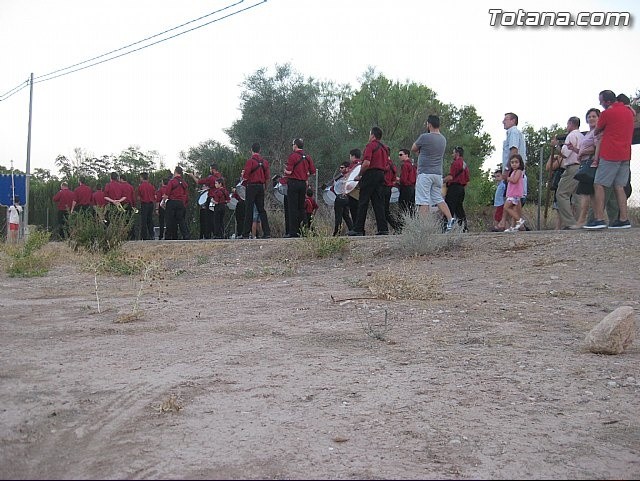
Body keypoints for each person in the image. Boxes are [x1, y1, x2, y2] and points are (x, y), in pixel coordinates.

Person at [584, 90, 634, 229]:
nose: (600, 103)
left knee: (599, 184)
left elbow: (597, 130)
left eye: (601, 101)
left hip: (610, 153)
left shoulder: (607, 113)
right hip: (625, 153)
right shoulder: (629, 112)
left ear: (606, 101)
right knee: (619, 186)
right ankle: (623, 219)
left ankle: (599, 218)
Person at [411, 115, 455, 231]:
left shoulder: (424, 137)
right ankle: (450, 219)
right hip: (437, 174)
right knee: (438, 198)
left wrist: (421, 151)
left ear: (429, 124)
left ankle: (423, 228)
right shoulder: (443, 139)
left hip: (425, 173)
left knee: (423, 200)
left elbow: (413, 148)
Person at [348, 127, 389, 236]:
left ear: (373, 135)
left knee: (363, 201)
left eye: (369, 134)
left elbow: (366, 163)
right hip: (381, 175)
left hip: (370, 174)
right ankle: (383, 228)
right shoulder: (384, 148)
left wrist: (360, 174)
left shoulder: (370, 146)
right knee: (378, 203)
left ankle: (358, 229)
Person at [571, 108, 601, 229]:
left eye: (594, 116)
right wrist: (577, 151)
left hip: (590, 163)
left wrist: (582, 152)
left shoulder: (596, 132)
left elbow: (596, 147)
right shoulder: (588, 133)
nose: (591, 119)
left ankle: (582, 220)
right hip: (585, 163)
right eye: (589, 117)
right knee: (591, 194)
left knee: (584, 193)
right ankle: (595, 219)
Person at [552, 117, 584, 229]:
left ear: (570, 124)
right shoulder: (581, 136)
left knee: (561, 193)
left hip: (572, 167)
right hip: (581, 166)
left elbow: (565, 154)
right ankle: (581, 221)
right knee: (577, 195)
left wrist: (556, 146)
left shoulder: (571, 136)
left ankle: (570, 222)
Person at [284, 138, 316, 238]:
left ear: (295, 145)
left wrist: (285, 170)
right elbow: (313, 171)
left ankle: (293, 232)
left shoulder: (292, 156)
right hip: (303, 184)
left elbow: (289, 172)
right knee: (301, 208)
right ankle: (304, 230)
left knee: (292, 208)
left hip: (293, 183)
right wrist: (305, 174)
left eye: (292, 144)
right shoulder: (307, 157)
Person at [240, 143, 271, 239]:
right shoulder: (264, 162)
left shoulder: (250, 161)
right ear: (260, 150)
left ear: (251, 150)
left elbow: (245, 176)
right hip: (260, 186)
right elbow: (267, 177)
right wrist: (265, 187)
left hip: (251, 186)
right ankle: (267, 232)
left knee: (249, 209)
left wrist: (243, 177)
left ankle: (245, 233)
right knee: (261, 209)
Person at [188, 164, 221, 239]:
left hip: (212, 198)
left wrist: (192, 176)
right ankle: (219, 234)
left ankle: (208, 235)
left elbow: (198, 181)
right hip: (219, 199)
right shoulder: (220, 177)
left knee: (208, 218)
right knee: (217, 218)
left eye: (210, 169)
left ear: (213, 169)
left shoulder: (211, 178)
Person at [443, 146, 470, 232]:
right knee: (459, 209)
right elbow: (467, 180)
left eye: (453, 153)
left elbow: (451, 177)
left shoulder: (455, 163)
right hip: (461, 188)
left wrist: (441, 181)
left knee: (449, 208)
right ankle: (464, 228)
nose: (452, 154)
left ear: (457, 154)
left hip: (454, 187)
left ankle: (446, 227)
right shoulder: (464, 164)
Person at [163, 166, 190, 240]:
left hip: (172, 202)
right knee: (181, 220)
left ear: (175, 172)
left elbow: (167, 193)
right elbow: (186, 194)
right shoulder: (184, 183)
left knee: (170, 220)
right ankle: (185, 235)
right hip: (180, 203)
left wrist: (163, 202)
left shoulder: (172, 181)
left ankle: (169, 236)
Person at [503, 154, 526, 232]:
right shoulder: (513, 172)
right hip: (512, 193)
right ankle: (513, 227)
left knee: (506, 207)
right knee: (514, 209)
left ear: (520, 163)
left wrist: (508, 178)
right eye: (512, 162)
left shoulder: (519, 171)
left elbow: (515, 180)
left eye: (516, 162)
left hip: (514, 194)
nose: (514, 164)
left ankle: (519, 220)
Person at [331, 161, 354, 236]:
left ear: (347, 168)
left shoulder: (347, 177)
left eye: (342, 167)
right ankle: (352, 229)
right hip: (345, 198)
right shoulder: (341, 177)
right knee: (346, 216)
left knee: (339, 216)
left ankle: (337, 232)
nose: (340, 169)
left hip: (341, 197)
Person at [382, 154, 402, 233]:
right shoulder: (392, 165)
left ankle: (396, 227)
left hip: (384, 187)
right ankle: (397, 227)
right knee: (386, 210)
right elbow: (394, 177)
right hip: (389, 188)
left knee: (384, 210)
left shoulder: (385, 164)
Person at [397, 148, 416, 216]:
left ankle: (402, 224)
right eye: (399, 155)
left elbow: (403, 180)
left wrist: (398, 180)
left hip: (406, 188)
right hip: (412, 188)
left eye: (401, 154)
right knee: (411, 208)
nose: (399, 156)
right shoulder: (412, 164)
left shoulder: (405, 165)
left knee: (403, 207)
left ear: (406, 155)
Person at [137, 172, 156, 240]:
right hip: (151, 204)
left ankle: (144, 236)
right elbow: (154, 196)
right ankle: (152, 235)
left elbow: (139, 197)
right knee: (150, 220)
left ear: (142, 178)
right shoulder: (151, 186)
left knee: (144, 221)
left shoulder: (141, 186)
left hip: (144, 204)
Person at [347, 148, 362, 225]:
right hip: (361, 190)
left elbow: (350, 177)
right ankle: (360, 228)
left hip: (353, 190)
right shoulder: (362, 164)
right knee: (360, 210)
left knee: (354, 210)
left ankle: (356, 228)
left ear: (353, 156)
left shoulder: (353, 165)